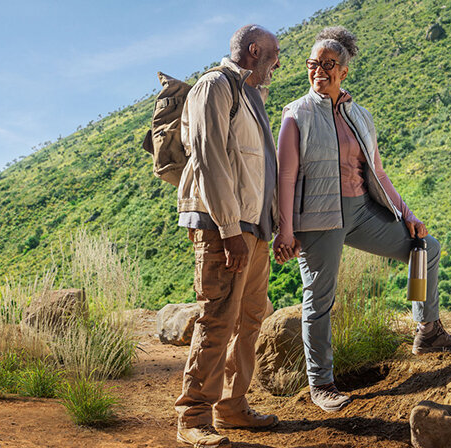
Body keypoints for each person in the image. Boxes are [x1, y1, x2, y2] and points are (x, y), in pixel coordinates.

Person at [274, 26, 451, 413]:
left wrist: (407, 214)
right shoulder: (296, 114)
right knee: (319, 299)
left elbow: (378, 173)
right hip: (318, 218)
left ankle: (427, 330)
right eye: (314, 64)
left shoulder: (359, 116)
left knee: (425, 249)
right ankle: (322, 383)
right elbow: (285, 175)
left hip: (363, 211)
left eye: (329, 65)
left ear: (343, 71)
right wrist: (285, 227)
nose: (320, 71)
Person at [171, 24, 283, 448]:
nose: (278, 62)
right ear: (255, 50)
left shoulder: (251, 95)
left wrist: (271, 227)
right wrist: (229, 230)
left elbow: (257, 170)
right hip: (224, 230)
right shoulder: (214, 87)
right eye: (275, 54)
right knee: (218, 319)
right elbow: (209, 158)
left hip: (253, 230)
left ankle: (232, 406)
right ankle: (194, 416)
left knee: (250, 317)